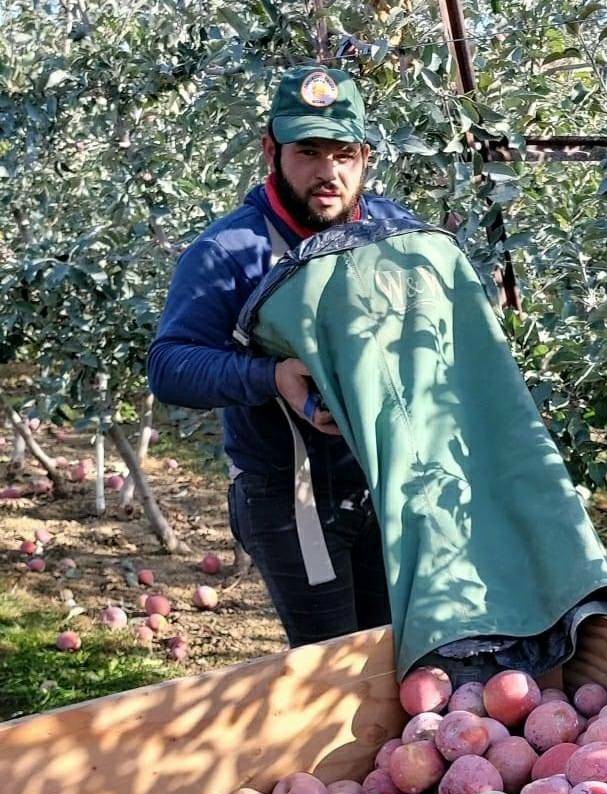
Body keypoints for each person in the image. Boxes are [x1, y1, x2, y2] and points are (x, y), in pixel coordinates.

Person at [149, 65, 420, 646]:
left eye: (344, 154)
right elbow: (169, 366)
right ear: (271, 150)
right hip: (288, 493)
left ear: (365, 157)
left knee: (400, 649)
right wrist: (274, 377)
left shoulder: (396, 235)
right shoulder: (230, 251)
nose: (329, 172)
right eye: (309, 152)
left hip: (383, 480)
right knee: (334, 665)